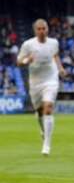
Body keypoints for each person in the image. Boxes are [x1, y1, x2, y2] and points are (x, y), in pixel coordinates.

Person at [16, 19, 64, 156]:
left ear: (47, 29)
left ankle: (47, 145)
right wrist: (27, 60)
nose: (42, 31)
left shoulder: (54, 42)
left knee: (48, 108)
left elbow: (55, 55)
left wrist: (60, 68)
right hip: (35, 82)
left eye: (44, 28)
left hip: (50, 79)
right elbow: (19, 62)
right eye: (39, 29)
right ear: (35, 30)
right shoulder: (28, 45)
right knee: (39, 111)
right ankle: (43, 130)